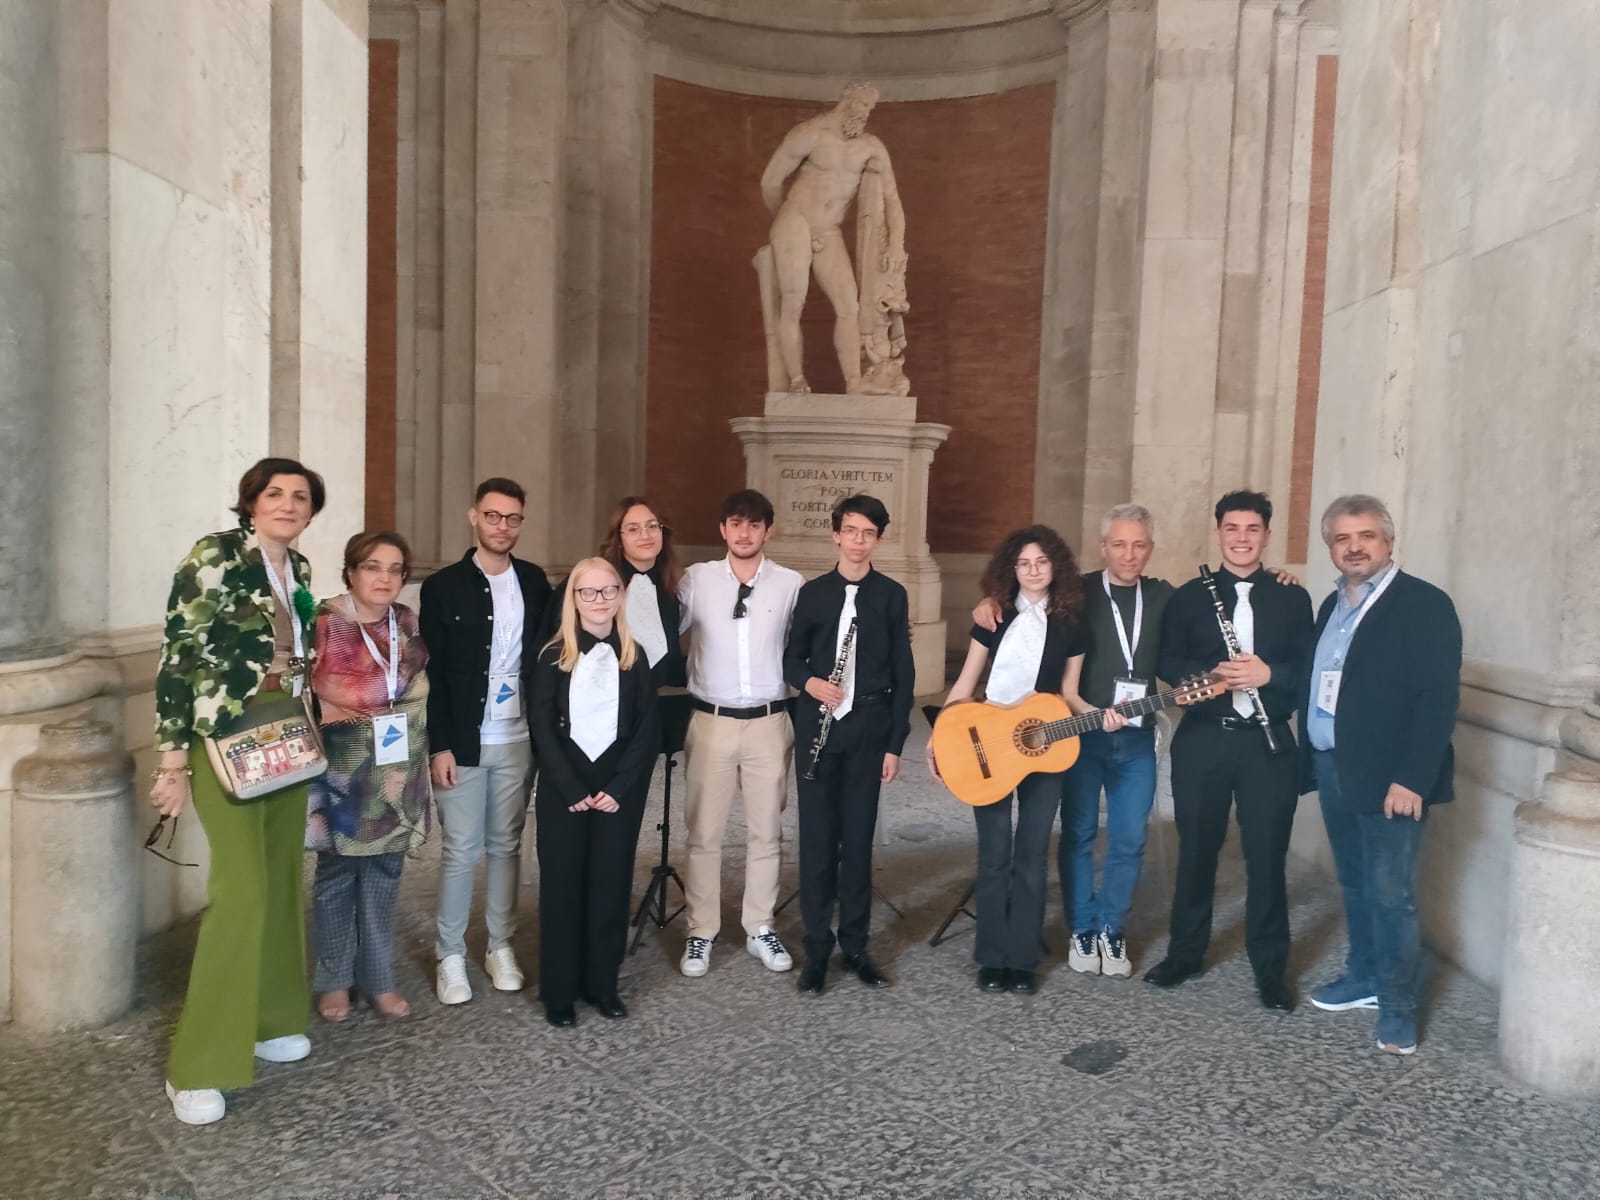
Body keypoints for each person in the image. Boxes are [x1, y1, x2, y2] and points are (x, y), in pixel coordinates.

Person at [150, 457, 327, 1126]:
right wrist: (170, 759)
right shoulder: (216, 555)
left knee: (282, 879)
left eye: (300, 496)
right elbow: (179, 651)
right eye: (274, 493)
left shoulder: (300, 570)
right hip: (224, 734)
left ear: (312, 511)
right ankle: (197, 1063)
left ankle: (271, 1017)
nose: (287, 503)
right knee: (242, 891)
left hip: (285, 734)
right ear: (250, 502)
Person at [1300, 495, 1461, 1055]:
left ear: (1388, 542)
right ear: (1330, 548)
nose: (1354, 547)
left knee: (1392, 896)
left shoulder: (1423, 604)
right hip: (1334, 767)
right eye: (1342, 538)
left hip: (1393, 780)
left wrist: (1413, 778)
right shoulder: (1331, 605)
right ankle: (1364, 978)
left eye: (1366, 535)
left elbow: (1436, 699)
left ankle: (1397, 1007)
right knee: (1354, 882)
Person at [1146, 490, 1313, 1011]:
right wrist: (1206, 679)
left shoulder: (1292, 596)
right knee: (1196, 852)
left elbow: (1309, 669)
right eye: (1232, 529)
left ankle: (1270, 969)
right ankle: (1186, 954)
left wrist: (1269, 674)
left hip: (1268, 745)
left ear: (1266, 535)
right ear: (1218, 533)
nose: (1242, 539)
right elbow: (1166, 659)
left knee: (1267, 858)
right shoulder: (1189, 597)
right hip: (1205, 739)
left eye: (1253, 529)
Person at [931, 526, 1097, 995]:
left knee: (1030, 854)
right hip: (988, 742)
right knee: (994, 853)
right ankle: (991, 957)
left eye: (1041, 562)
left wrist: (1102, 717)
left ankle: (1022, 959)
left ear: (1055, 566)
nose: (1032, 571)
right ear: (1012, 568)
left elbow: (1069, 693)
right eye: (1023, 563)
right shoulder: (993, 616)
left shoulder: (1071, 622)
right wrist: (938, 741)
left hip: (1044, 747)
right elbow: (964, 685)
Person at [421, 478, 553, 1005]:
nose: (503, 526)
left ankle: (500, 945)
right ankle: (449, 954)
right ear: (473, 515)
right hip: (464, 740)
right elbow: (431, 672)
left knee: (506, 846)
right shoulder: (444, 585)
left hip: (518, 738)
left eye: (513, 518)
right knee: (458, 849)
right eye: (494, 516)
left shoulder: (536, 582)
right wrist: (440, 745)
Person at [783, 495, 915, 994]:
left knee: (858, 844)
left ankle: (855, 945)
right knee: (817, 843)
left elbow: (904, 674)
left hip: (868, 732)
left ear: (878, 539)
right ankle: (817, 948)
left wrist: (894, 744)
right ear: (835, 534)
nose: (859, 541)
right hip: (818, 728)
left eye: (869, 533)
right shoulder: (814, 593)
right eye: (851, 531)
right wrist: (812, 684)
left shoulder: (891, 595)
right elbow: (792, 660)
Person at [677, 489, 804, 979]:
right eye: (736, 523)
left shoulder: (790, 584)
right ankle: (700, 931)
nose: (744, 533)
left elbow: (811, 642)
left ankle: (759, 926)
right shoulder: (697, 580)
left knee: (765, 831)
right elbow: (661, 629)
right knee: (704, 832)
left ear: (768, 531)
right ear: (723, 529)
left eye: (754, 525)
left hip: (770, 722)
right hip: (710, 720)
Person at [530, 559, 661, 1027]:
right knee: (562, 887)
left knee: (610, 884)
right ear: (574, 599)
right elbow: (541, 727)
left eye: (609, 591)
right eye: (589, 592)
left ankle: (603, 984)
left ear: (621, 596)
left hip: (615, 789)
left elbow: (646, 730)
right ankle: (560, 992)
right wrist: (568, 786)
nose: (600, 600)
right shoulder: (551, 656)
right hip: (565, 785)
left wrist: (619, 787)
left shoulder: (635, 655)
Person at [307, 531, 431, 1023]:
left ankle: (379, 978)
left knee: (384, 874)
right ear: (351, 571)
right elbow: (327, 691)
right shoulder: (324, 620)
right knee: (336, 875)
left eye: (395, 569)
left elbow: (417, 687)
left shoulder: (405, 620)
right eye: (372, 567)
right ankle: (335, 979)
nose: (384, 578)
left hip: (397, 766)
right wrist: (371, 706)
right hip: (340, 770)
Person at [759, 82, 906, 395]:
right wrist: (784, 225)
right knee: (794, 301)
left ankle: (854, 382)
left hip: (829, 230)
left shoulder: (871, 147)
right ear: (848, 101)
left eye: (870, 109)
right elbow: (770, 182)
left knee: (849, 305)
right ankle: (797, 379)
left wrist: (895, 244)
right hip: (796, 221)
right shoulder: (809, 134)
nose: (866, 114)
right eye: (863, 106)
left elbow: (893, 200)